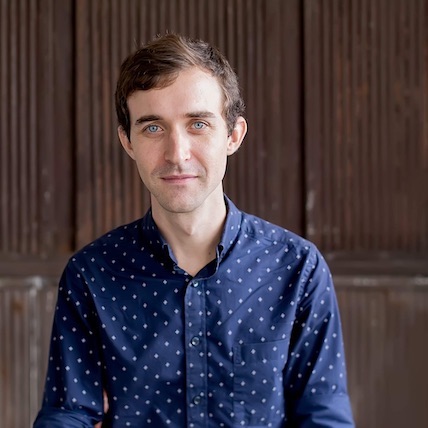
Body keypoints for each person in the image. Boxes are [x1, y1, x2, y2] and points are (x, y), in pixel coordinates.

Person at [34, 33, 354, 427]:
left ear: (233, 135)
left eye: (198, 124)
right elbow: (67, 414)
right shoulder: (92, 275)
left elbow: (324, 418)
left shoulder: (297, 269)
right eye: (153, 128)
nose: (177, 153)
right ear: (127, 141)